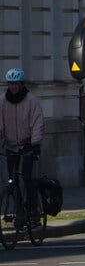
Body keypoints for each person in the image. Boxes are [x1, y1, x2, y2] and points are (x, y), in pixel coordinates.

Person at [0, 68, 44, 219]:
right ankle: (19, 208)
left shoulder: (31, 100)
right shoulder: (2, 101)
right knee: (12, 180)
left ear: (21, 84)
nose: (13, 87)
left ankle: (33, 208)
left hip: (27, 145)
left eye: (16, 84)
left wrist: (35, 143)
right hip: (10, 145)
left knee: (27, 177)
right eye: (11, 84)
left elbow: (37, 122)